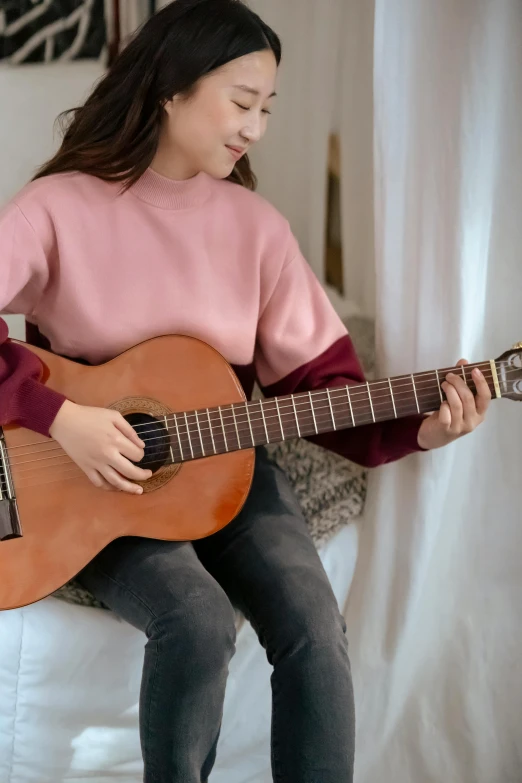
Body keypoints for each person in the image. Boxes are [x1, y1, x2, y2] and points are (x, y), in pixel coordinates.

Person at [0, 1, 491, 780]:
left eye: (267, 108)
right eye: (240, 102)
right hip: (86, 478)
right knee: (195, 619)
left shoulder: (257, 230)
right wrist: (59, 417)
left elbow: (327, 391)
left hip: (230, 460)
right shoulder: (57, 207)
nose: (256, 128)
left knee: (311, 618)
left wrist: (422, 431)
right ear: (171, 88)